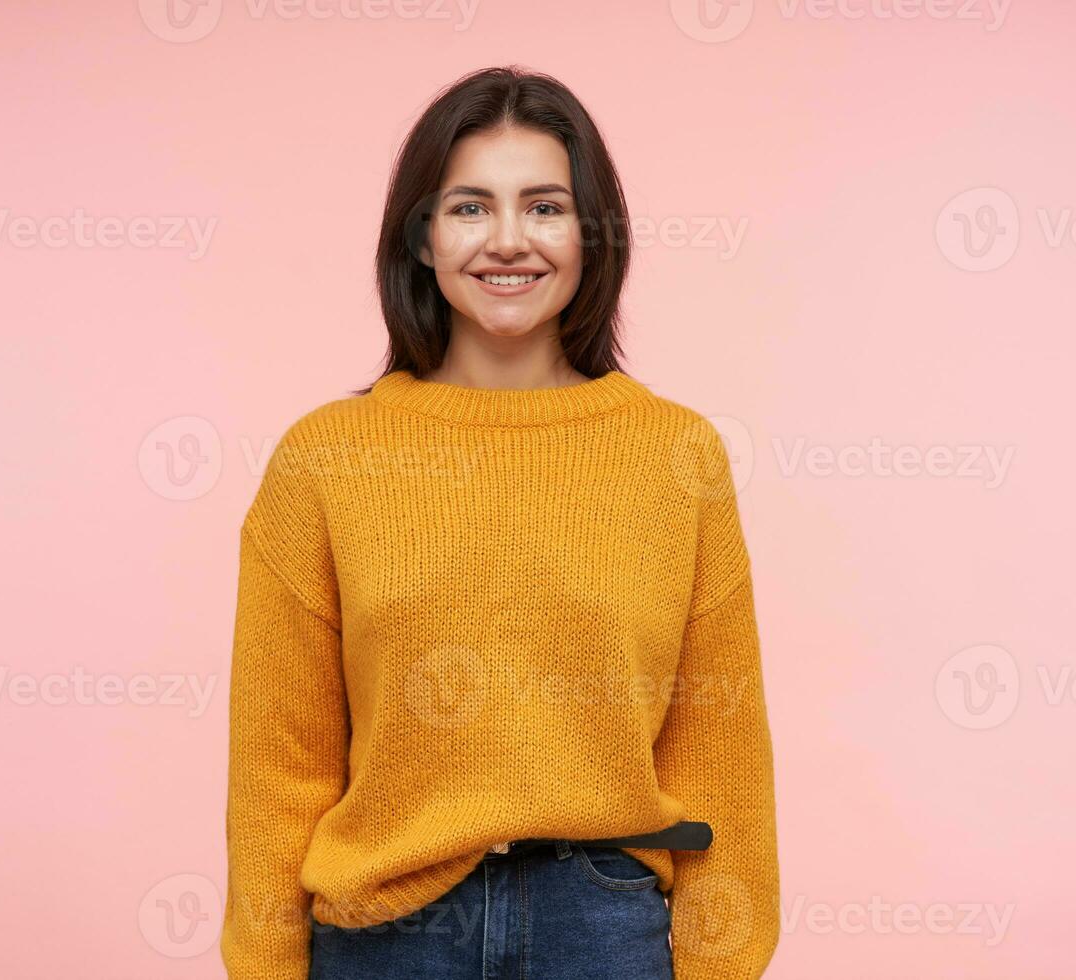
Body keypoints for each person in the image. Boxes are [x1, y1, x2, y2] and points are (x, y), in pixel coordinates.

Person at [220, 65, 779, 980]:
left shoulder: (676, 458)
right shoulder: (326, 460)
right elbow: (280, 766)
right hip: (382, 936)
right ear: (423, 236)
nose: (509, 241)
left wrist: (722, 965)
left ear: (594, 233)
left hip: (600, 929)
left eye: (546, 207)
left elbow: (720, 754)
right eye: (471, 207)